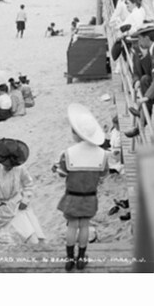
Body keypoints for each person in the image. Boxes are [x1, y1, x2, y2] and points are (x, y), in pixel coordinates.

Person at [55, 104, 108, 271]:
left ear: (77, 134)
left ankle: (69, 259)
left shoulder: (68, 153)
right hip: (90, 196)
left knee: (72, 226)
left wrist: (57, 168)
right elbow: (103, 175)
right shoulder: (102, 154)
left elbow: (62, 174)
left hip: (72, 196)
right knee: (85, 226)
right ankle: (81, 258)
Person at [0, 138, 45, 247]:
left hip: (15, 207)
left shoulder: (20, 169)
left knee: (32, 239)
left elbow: (28, 184)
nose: (10, 167)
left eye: (12, 164)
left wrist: (25, 199)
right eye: (7, 164)